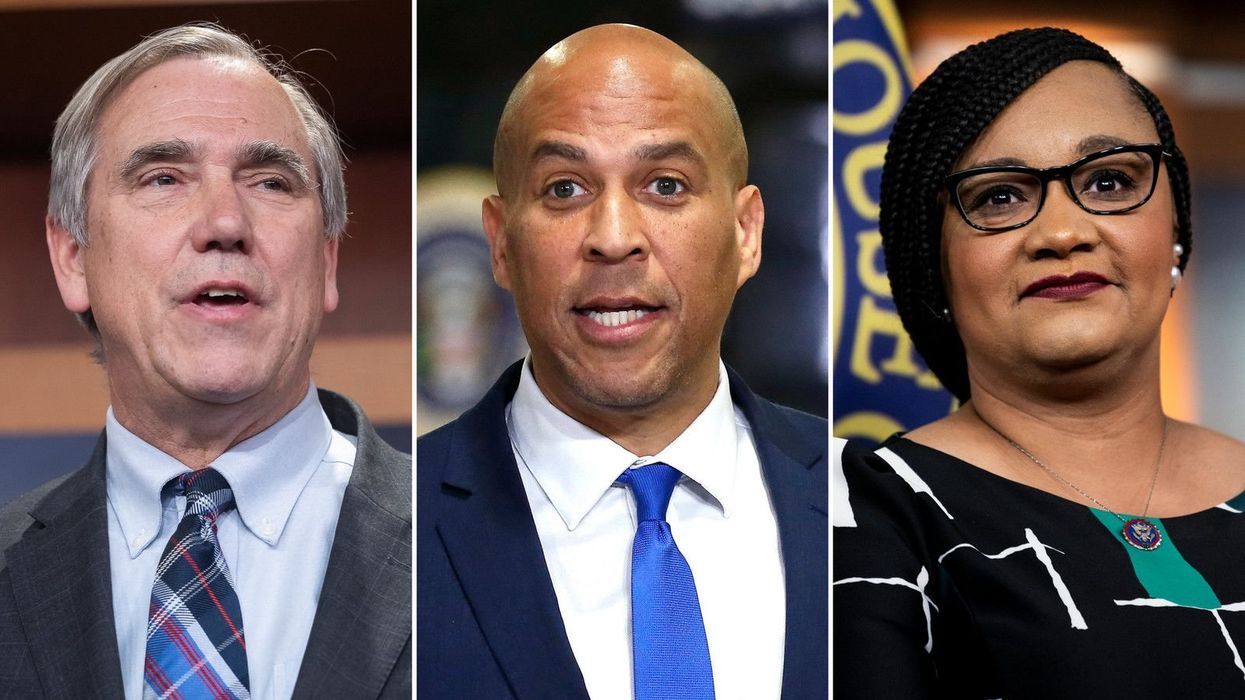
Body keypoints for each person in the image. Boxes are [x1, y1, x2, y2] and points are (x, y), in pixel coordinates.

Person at [417, 23, 828, 699]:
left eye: (665, 185)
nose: (613, 238)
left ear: (745, 232)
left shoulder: (867, 501)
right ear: (500, 242)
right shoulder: (396, 527)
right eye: (564, 189)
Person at [0, 24, 410, 698]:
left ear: (326, 260)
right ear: (73, 257)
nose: (225, 222)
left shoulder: (459, 539)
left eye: (271, 182)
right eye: (163, 178)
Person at [834, 26, 1245, 697]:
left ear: (1174, 227)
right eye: (999, 196)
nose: (1062, 232)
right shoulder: (860, 516)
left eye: (1109, 180)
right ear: (932, 266)